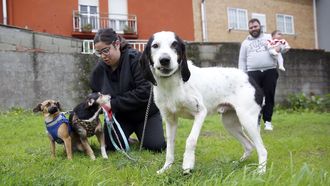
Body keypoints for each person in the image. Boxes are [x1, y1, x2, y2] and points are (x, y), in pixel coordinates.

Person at [90, 28, 166, 151]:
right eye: (99, 53)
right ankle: (127, 138)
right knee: (111, 146)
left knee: (155, 147)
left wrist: (112, 104)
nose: (103, 56)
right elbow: (95, 93)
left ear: (117, 44)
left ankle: (141, 135)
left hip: (146, 115)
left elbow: (145, 91)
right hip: (121, 116)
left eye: (106, 50)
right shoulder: (99, 69)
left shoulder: (136, 59)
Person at [238, 18, 279, 131]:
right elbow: (242, 61)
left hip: (270, 71)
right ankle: (256, 122)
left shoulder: (268, 38)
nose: (253, 29)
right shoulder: (245, 43)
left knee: (269, 96)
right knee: (255, 98)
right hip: (253, 73)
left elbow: (278, 49)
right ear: (249, 29)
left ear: (260, 26)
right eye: (251, 27)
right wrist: (242, 76)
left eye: (255, 26)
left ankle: (268, 122)